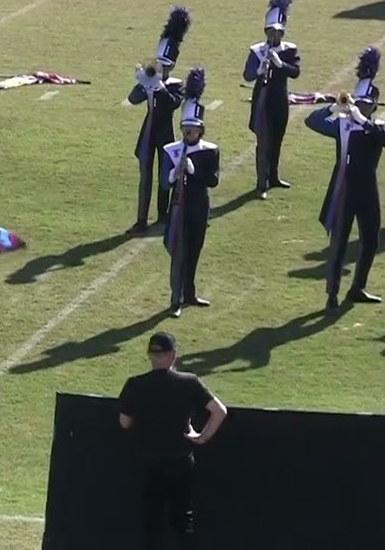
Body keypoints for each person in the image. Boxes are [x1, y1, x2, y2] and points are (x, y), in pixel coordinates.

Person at [118, 332, 227, 550]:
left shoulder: (135, 385)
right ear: (173, 355)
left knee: (151, 522)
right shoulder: (189, 382)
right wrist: (201, 437)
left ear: (150, 355)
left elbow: (124, 422)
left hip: (150, 462)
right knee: (183, 521)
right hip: (180, 461)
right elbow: (219, 411)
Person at [305, 52, 385, 312]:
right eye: (360, 102)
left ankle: (358, 287)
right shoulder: (342, 126)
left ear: (374, 106)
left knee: (371, 240)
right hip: (343, 190)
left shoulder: (375, 126)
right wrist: (334, 108)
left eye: (367, 104)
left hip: (367, 191)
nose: (363, 106)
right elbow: (313, 121)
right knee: (339, 243)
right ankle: (332, 294)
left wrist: (362, 118)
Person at [126, 7, 191, 234]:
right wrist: (144, 83)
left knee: (165, 175)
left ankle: (163, 215)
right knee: (145, 175)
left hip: (165, 132)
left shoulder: (177, 84)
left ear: (172, 65)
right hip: (148, 130)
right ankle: (141, 219)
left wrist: (159, 87)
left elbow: (173, 103)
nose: (161, 67)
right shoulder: (149, 79)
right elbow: (132, 99)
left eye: (165, 64)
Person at [162, 80, 219, 318]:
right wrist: (176, 173)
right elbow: (165, 182)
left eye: (192, 128)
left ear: (200, 130)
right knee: (179, 253)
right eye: (185, 127)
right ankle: (176, 300)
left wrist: (194, 170)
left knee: (195, 249)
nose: (188, 131)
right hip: (178, 207)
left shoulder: (210, 150)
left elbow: (213, 180)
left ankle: (190, 293)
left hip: (198, 206)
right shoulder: (171, 149)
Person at [243, 0, 301, 200]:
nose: (274, 35)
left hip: (280, 101)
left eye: (278, 31)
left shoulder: (289, 49)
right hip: (262, 102)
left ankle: (274, 176)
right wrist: (260, 69)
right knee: (263, 143)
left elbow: (295, 72)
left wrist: (280, 63)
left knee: (277, 140)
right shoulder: (257, 50)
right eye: (270, 31)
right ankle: (261, 183)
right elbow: (247, 75)